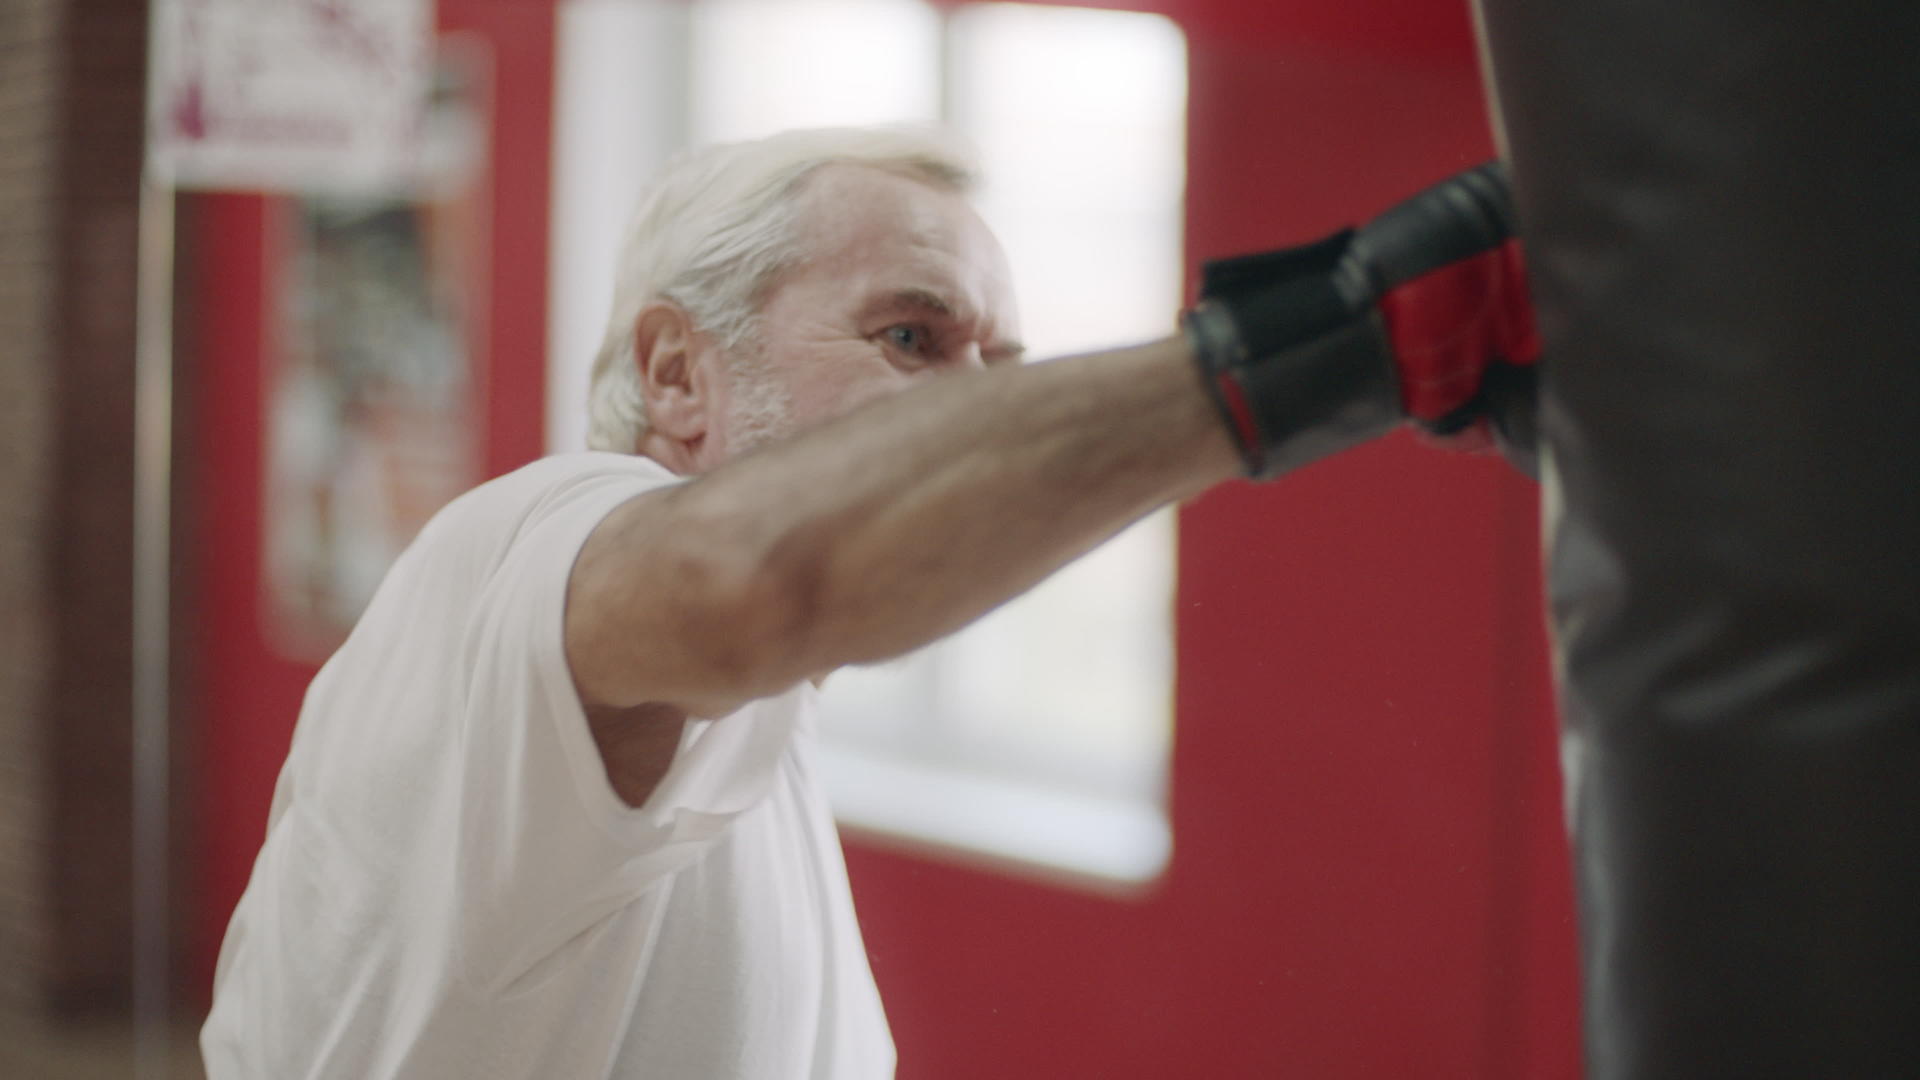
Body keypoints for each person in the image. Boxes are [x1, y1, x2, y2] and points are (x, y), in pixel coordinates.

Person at [200, 127, 1533, 1078]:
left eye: (1001, 368)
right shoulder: (519, 550)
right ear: (678, 374)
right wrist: (1345, 345)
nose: (977, 405)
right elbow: (743, 576)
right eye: (911, 337)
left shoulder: (740, 722)